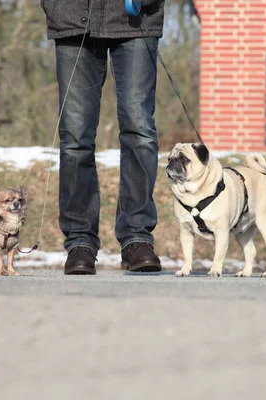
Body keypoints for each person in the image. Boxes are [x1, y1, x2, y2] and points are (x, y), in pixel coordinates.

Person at [41, 1, 165, 275]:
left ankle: (137, 237)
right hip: (72, 17)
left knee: (140, 129)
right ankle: (80, 242)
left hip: (136, 19)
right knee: (75, 137)